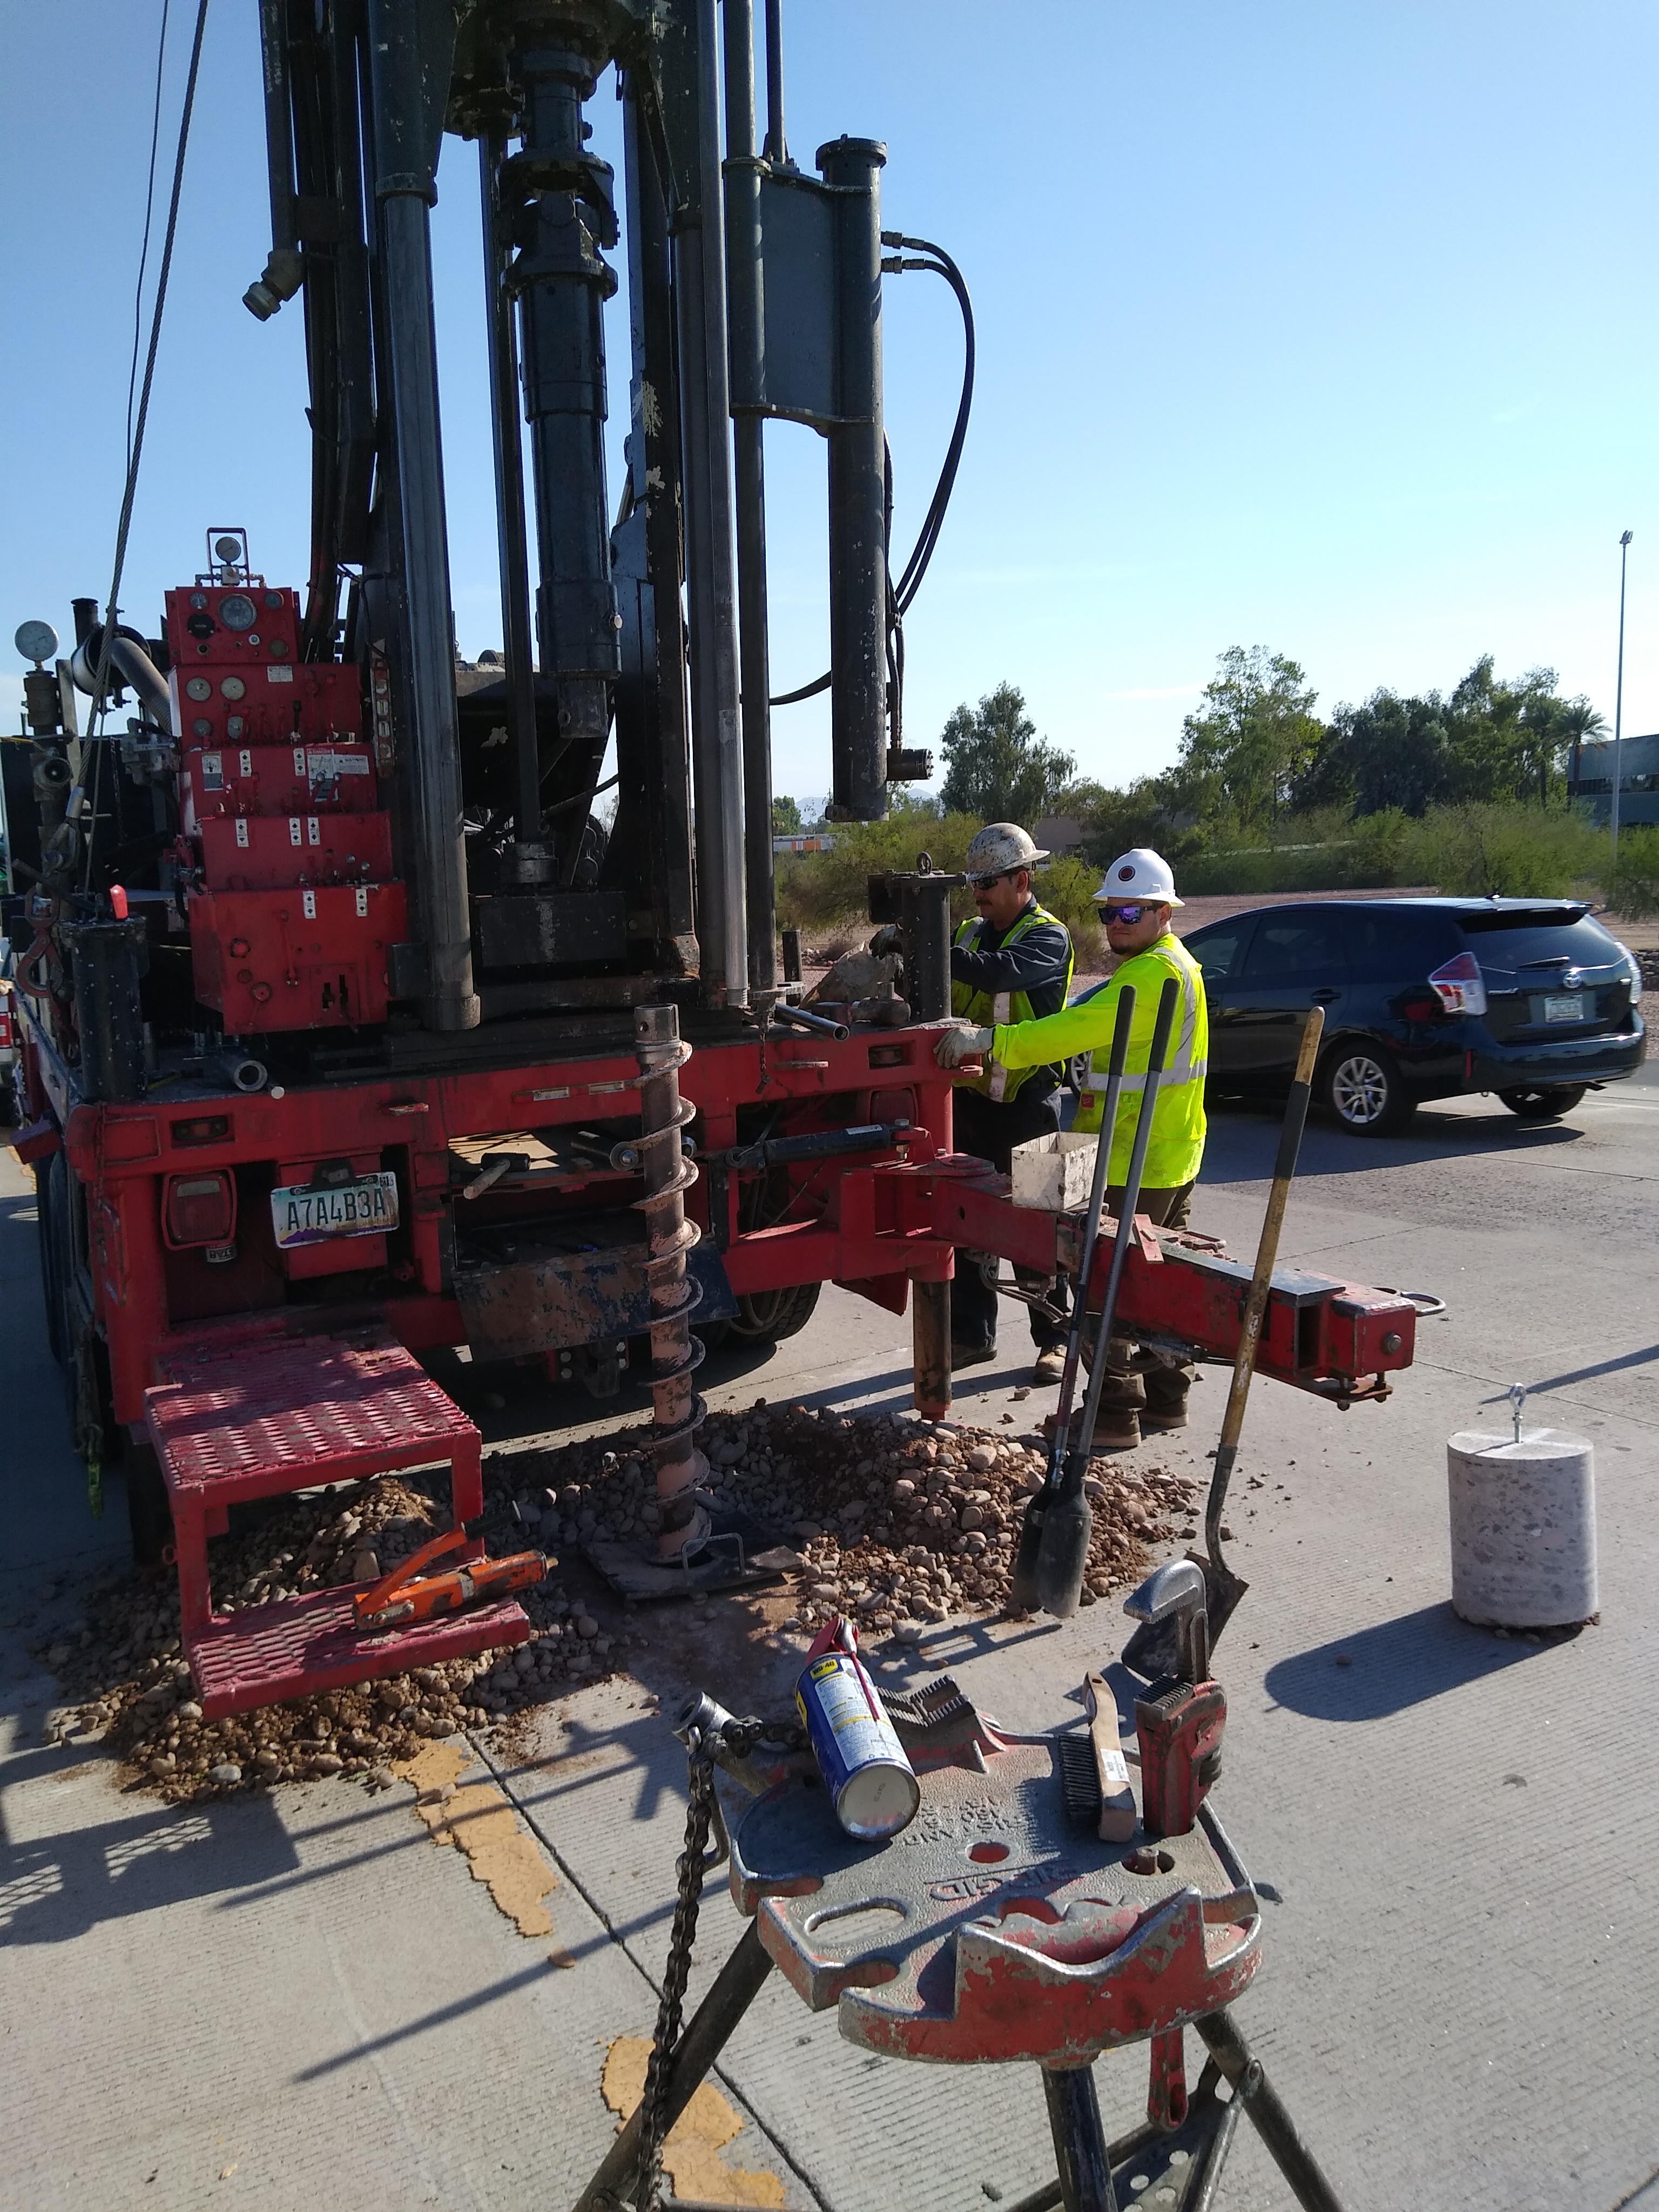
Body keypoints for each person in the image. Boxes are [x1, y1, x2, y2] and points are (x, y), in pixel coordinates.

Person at [934, 847, 1206, 1446]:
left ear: (1164, 913)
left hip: (1130, 1154)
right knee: (1155, 1287)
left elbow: (1066, 1030)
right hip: (1165, 1150)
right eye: (1111, 911)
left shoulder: (1142, 972)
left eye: (1132, 911)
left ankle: (1112, 1414)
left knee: (1104, 1285)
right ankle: (1166, 1399)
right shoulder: (1173, 965)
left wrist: (989, 1040)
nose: (1117, 922)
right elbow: (1083, 1010)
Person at [928, 821, 1074, 1378]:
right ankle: (972, 1335)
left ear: (1022, 878)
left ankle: (1054, 1338)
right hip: (970, 1106)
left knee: (1041, 1227)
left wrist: (930, 947)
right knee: (970, 1224)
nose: (979, 892)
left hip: (1029, 1106)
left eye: (989, 881)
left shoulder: (1048, 936)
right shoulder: (967, 932)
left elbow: (999, 975)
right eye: (974, 882)